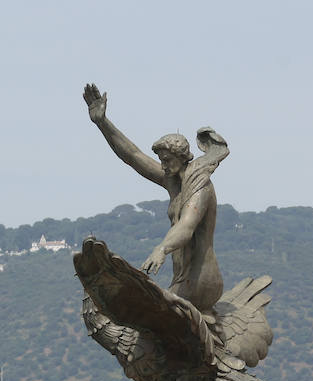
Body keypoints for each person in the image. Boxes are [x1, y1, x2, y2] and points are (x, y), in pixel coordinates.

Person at [83, 83, 228, 315]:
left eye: (167, 159)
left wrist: (161, 249)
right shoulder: (172, 181)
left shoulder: (200, 185)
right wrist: (102, 122)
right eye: (161, 160)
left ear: (181, 158)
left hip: (202, 279)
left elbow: (187, 225)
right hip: (182, 279)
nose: (163, 166)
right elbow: (132, 155)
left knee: (153, 315)